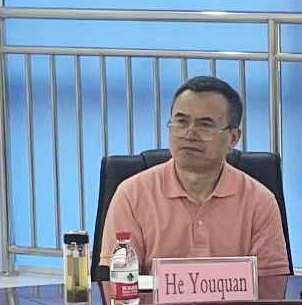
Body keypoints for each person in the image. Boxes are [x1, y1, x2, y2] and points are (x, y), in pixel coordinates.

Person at [99, 75, 290, 280]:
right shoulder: (131, 195)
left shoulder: (260, 202)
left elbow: (271, 287)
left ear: (233, 138)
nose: (189, 134)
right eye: (181, 121)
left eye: (205, 125)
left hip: (238, 304)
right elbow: (119, 283)